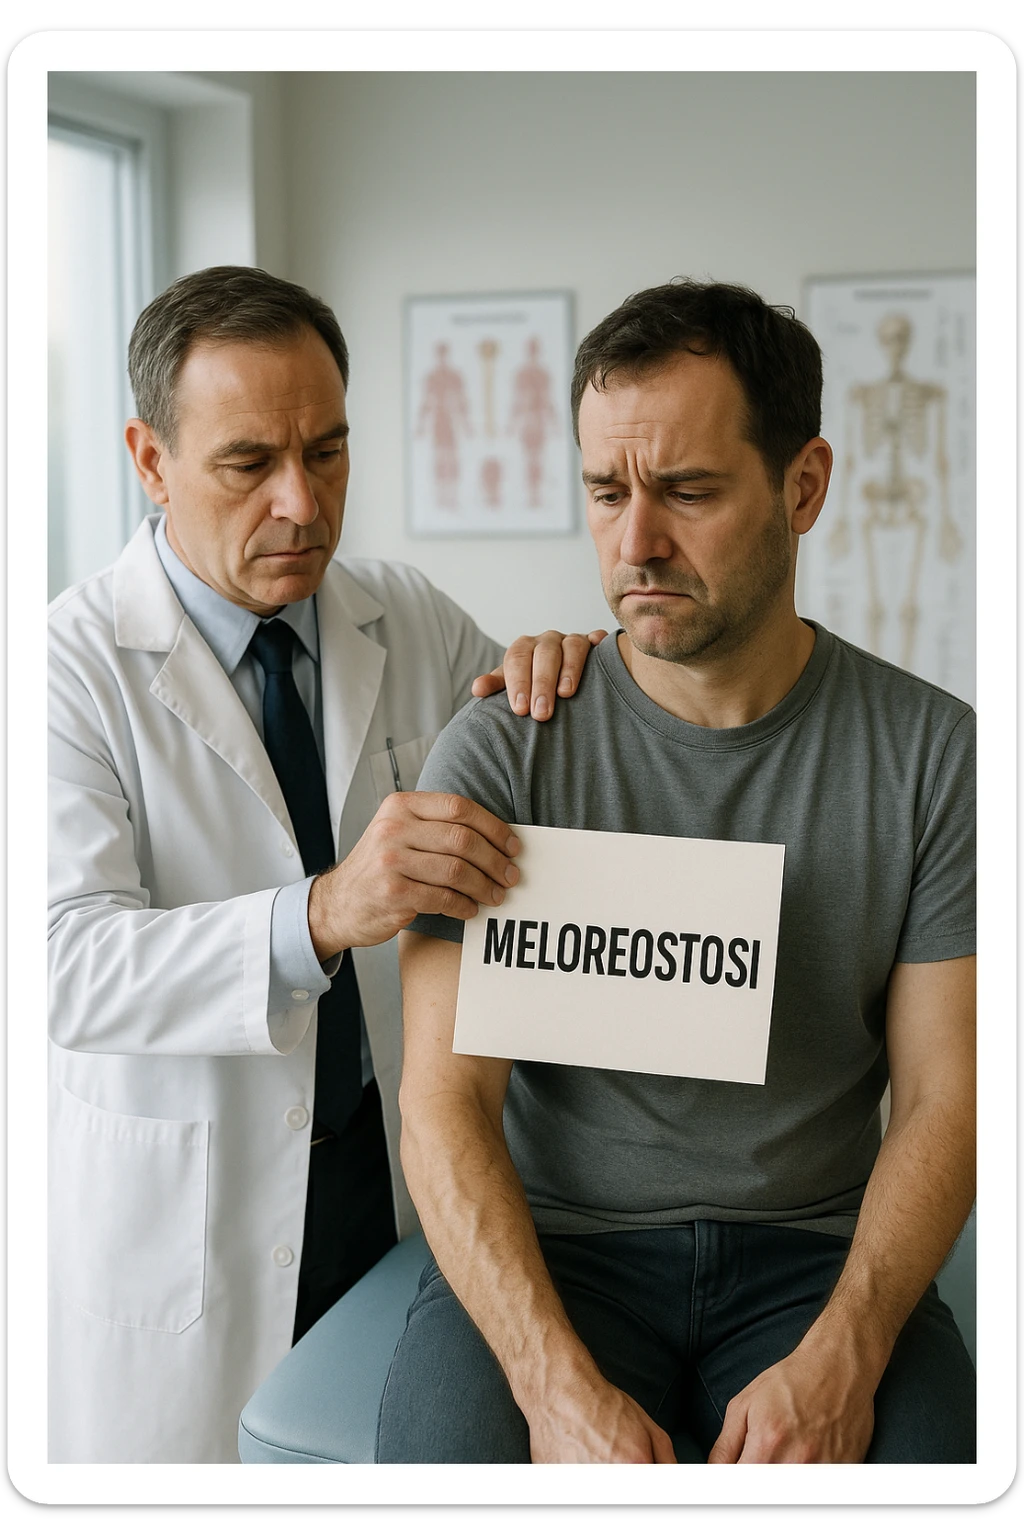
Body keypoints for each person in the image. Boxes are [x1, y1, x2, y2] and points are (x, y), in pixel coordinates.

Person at [378, 279, 977, 1464]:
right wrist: (551, 1384)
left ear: (802, 487)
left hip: (812, 1256)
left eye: (688, 492)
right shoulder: (503, 745)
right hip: (554, 1249)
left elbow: (945, 1097)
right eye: (607, 493)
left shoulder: (933, 757)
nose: (634, 543)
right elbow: (443, 1102)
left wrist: (847, 1349)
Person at [47, 265, 606, 1464]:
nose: (303, 504)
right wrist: (323, 912)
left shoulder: (405, 615)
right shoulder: (66, 667)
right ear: (150, 460)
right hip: (189, 1221)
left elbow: (540, 785)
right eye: (249, 463)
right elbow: (67, 966)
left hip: (393, 1189)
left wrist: (568, 673)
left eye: (331, 451)